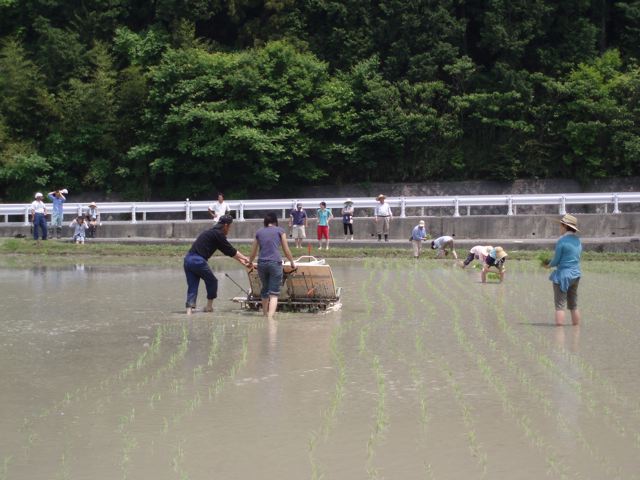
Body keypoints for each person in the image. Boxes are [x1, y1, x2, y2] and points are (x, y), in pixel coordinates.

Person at [183, 215, 250, 315]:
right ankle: (209, 307)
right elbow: (231, 250)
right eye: (230, 227)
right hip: (198, 260)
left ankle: (189, 311)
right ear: (226, 225)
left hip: (187, 260)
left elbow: (228, 252)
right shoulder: (218, 234)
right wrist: (245, 258)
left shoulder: (211, 233)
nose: (229, 230)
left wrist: (243, 262)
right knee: (212, 281)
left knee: (192, 286)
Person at [248, 212, 296, 320]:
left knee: (264, 289)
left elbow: (253, 251)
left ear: (265, 222)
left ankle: (264, 314)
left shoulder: (259, 232)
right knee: (274, 293)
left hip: (262, 263)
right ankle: (270, 318)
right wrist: (292, 262)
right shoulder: (280, 231)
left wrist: (250, 262)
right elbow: (286, 249)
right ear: (275, 221)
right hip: (275, 263)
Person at [545, 214, 582, 326]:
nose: (559, 228)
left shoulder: (562, 241)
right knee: (573, 304)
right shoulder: (578, 241)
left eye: (560, 226)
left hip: (563, 276)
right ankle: (576, 329)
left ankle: (559, 332)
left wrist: (548, 265)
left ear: (564, 226)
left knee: (559, 305)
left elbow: (556, 260)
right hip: (575, 275)